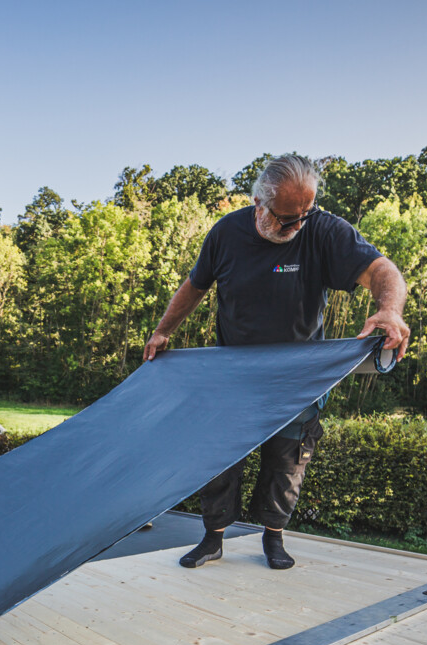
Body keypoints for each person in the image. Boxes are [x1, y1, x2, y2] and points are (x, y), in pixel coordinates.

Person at [143, 153, 410, 572]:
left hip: (297, 379)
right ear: (259, 206)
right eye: (288, 217)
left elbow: (382, 270)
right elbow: (195, 286)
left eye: (307, 212)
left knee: (287, 462)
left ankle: (273, 538)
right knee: (218, 459)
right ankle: (213, 539)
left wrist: (390, 309)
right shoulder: (226, 233)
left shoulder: (322, 230)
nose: (298, 225)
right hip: (233, 376)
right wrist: (164, 330)